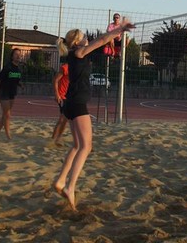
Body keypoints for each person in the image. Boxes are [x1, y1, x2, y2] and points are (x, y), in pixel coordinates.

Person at [53, 18, 134, 211]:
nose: (86, 39)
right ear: (77, 42)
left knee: (76, 146)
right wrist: (120, 29)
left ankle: (60, 180)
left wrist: (117, 38)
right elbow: (101, 40)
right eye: (83, 37)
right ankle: (70, 187)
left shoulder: (76, 55)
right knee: (86, 147)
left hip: (70, 103)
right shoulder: (78, 52)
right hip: (77, 104)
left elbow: (104, 44)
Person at [0, 48, 23, 140]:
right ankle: (8, 136)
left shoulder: (18, 69)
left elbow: (16, 80)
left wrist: (21, 84)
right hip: (3, 92)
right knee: (7, 115)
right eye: (16, 54)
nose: (18, 56)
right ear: (12, 56)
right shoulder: (7, 67)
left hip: (12, 93)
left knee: (5, 115)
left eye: (19, 54)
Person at [51, 62, 70, 146]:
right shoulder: (66, 67)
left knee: (65, 119)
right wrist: (57, 94)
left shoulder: (77, 67)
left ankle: (58, 138)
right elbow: (55, 80)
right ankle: (53, 140)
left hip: (70, 96)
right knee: (62, 118)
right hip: (62, 96)